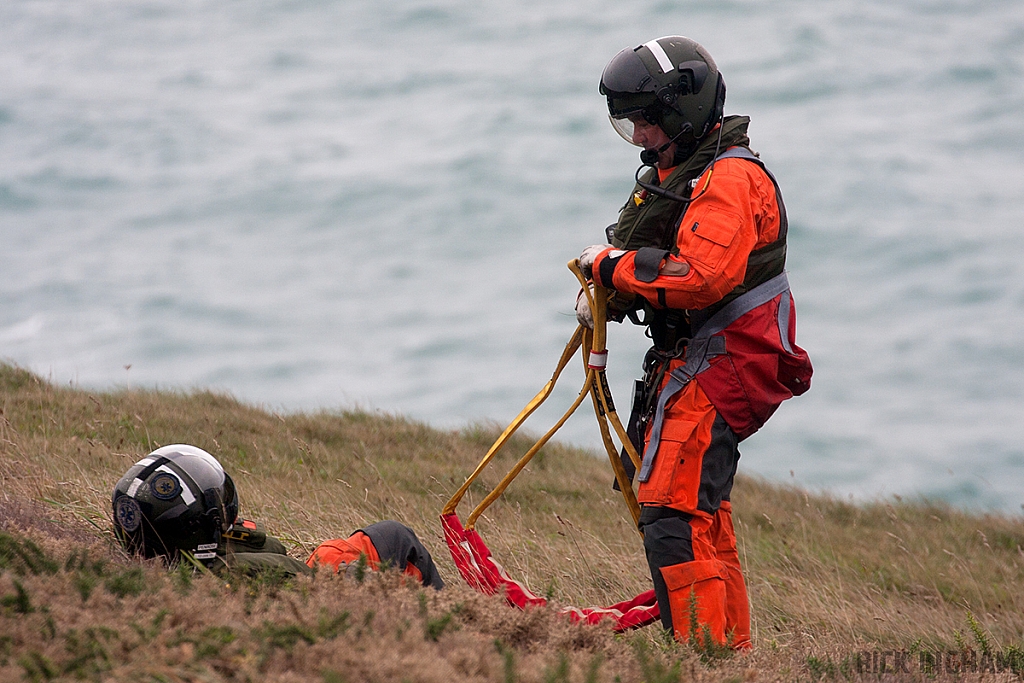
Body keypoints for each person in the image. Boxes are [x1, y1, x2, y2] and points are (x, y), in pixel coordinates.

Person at [575, 37, 812, 649]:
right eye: (630, 123)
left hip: (725, 364)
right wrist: (615, 285)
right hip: (713, 360)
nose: (640, 136)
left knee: (671, 518)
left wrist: (609, 268)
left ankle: (701, 655)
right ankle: (729, 652)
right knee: (703, 514)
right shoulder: (690, 171)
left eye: (646, 121)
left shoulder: (729, 179)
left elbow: (703, 276)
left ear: (682, 110)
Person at [112, 444, 443, 589]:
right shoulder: (246, 577)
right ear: (195, 527)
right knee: (396, 537)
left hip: (308, 573)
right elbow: (318, 596)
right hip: (327, 586)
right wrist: (356, 581)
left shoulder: (180, 558)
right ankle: (457, 617)